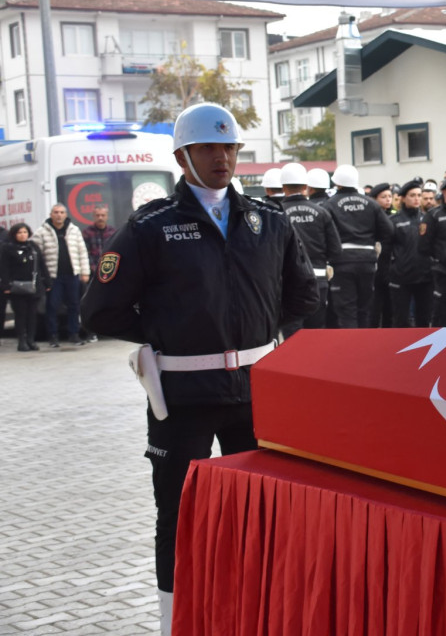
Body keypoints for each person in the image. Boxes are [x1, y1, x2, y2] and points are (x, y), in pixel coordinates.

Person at [81, 103, 319, 634]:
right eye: (209, 148)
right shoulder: (151, 227)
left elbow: (302, 292)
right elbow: (99, 310)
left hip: (255, 392)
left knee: (262, 510)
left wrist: (254, 333)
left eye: (230, 147)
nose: (222, 157)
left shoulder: (270, 220)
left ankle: (260, 611)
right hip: (183, 395)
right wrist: (168, 335)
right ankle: (174, 620)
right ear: (183, 156)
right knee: (179, 512)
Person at [325, 165, 393, 328]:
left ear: (337, 183)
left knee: (346, 310)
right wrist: (371, 240)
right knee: (365, 309)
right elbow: (389, 230)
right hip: (367, 262)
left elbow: (325, 233)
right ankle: (363, 349)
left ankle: (350, 350)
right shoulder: (371, 204)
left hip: (342, 263)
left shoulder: (330, 204)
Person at [279, 162, 342, 339]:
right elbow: (336, 250)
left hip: (287, 282)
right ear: (306, 187)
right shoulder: (321, 212)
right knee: (315, 334)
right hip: (318, 279)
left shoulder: (276, 214)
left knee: (292, 335)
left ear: (283, 187)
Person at [32, 203, 89, 348]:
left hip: (72, 274)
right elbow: (35, 254)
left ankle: (74, 334)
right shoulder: (42, 232)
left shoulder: (74, 230)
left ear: (66, 215)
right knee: (52, 306)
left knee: (74, 305)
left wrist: (84, 271)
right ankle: (52, 336)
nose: (59, 215)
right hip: (53, 276)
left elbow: (82, 251)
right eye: (56, 212)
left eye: (62, 212)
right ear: (51, 214)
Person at [389, 179, 433, 327]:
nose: (416, 199)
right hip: (401, 277)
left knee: (424, 318)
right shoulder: (393, 221)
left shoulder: (427, 218)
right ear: (403, 198)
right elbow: (386, 249)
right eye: (412, 195)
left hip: (425, 276)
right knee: (400, 318)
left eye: (419, 195)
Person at [2, 222, 51, 352]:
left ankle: (31, 340)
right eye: (19, 233)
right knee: (21, 315)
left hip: (34, 286)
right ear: (14, 234)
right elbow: (4, 269)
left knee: (32, 315)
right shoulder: (7, 248)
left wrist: (47, 281)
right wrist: (6, 285)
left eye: (25, 232)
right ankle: (21, 341)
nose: (23, 235)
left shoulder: (33, 247)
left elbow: (42, 265)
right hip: (17, 287)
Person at [421, 175, 446, 327]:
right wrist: (439, 262)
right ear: (444, 192)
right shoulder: (434, 215)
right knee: (444, 316)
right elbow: (424, 246)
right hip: (444, 275)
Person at [81, 204, 117, 342]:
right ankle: (91, 332)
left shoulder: (113, 232)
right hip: (93, 272)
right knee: (92, 303)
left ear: (107, 216)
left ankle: (109, 330)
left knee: (110, 303)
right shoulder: (87, 233)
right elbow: (85, 252)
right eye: (98, 215)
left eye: (103, 215)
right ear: (93, 217)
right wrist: (91, 267)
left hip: (110, 273)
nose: (100, 218)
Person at [368, 183, 395, 327]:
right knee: (375, 306)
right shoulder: (371, 217)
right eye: (383, 197)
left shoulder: (395, 216)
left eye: (390, 196)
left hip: (391, 265)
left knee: (390, 308)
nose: (388, 200)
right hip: (377, 264)